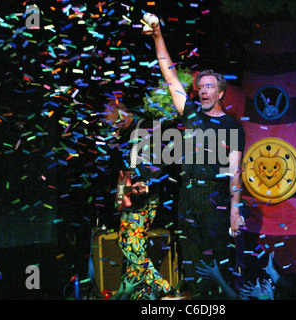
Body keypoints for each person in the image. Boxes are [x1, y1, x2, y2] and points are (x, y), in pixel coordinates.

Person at [147, 19, 246, 299]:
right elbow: (170, 75)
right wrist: (157, 36)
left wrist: (235, 210)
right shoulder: (190, 115)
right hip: (187, 198)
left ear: (221, 93)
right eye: (200, 86)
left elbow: (235, 171)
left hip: (216, 198)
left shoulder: (232, 125)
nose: (203, 90)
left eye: (209, 87)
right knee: (191, 266)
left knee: (219, 264)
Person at [103, 100, 175, 299]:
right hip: (131, 195)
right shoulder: (125, 134)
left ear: (121, 113)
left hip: (144, 195)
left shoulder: (144, 128)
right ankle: (137, 291)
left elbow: (159, 161)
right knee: (132, 241)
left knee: (129, 242)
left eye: (112, 121)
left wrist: (147, 184)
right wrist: (120, 198)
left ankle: (162, 286)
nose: (111, 126)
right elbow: (123, 170)